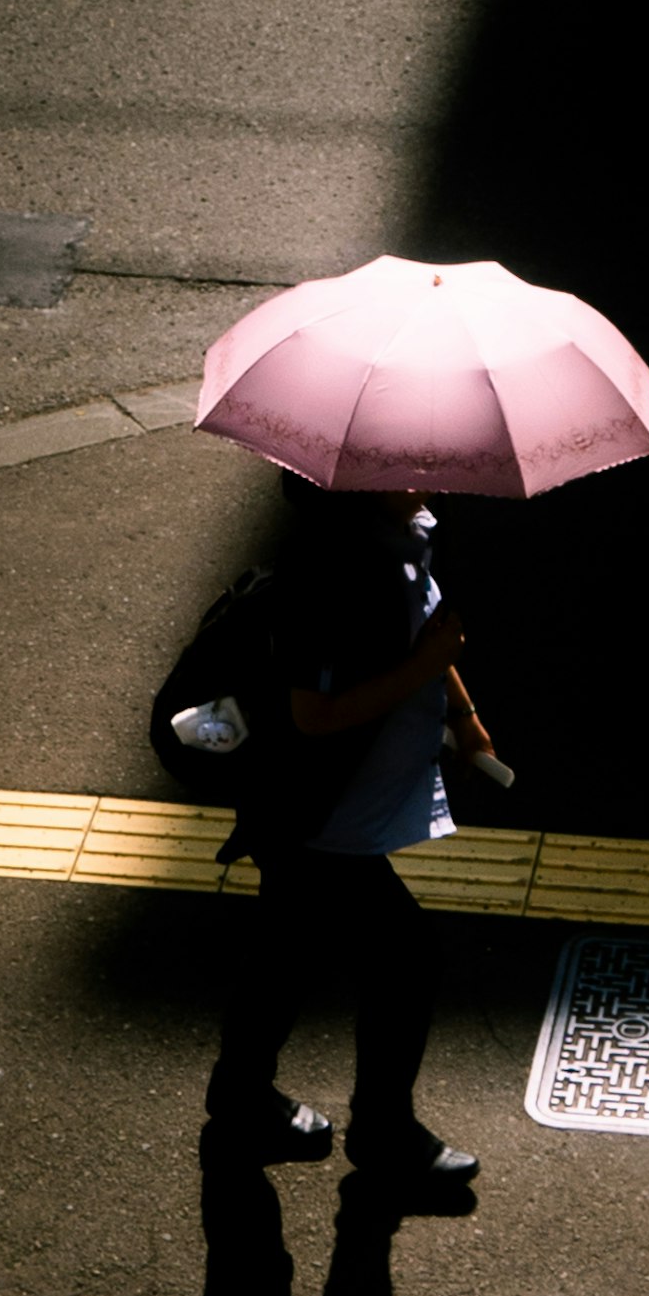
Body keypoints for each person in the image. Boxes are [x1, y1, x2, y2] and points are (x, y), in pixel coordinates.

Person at [203, 492, 501, 1212]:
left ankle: (240, 1097)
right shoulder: (330, 568)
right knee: (408, 958)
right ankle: (382, 1133)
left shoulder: (399, 536)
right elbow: (316, 712)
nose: (433, 467)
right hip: (317, 815)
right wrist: (429, 663)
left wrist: (465, 719)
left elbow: (423, 625)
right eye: (414, 455)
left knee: (287, 947)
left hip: (323, 812)